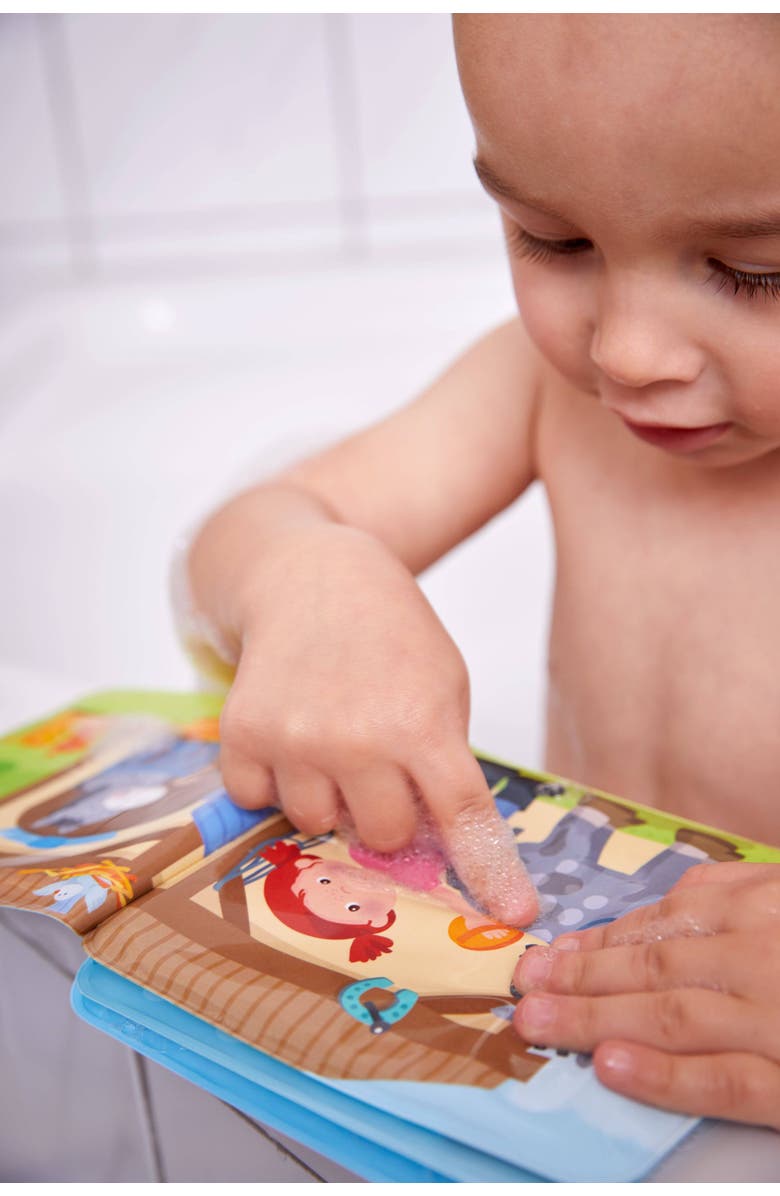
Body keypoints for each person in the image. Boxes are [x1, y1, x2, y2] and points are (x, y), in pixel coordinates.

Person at [179, 15, 780, 1128]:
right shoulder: (547, 391)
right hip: (557, 1026)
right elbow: (243, 529)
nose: (626, 353)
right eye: (553, 239)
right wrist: (306, 568)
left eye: (756, 271)